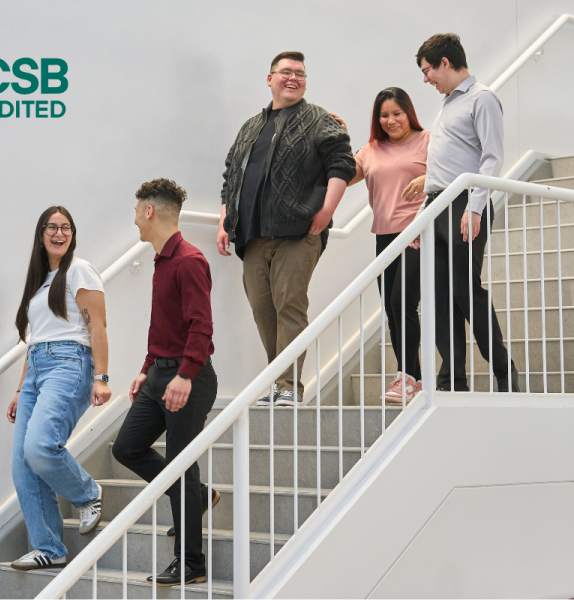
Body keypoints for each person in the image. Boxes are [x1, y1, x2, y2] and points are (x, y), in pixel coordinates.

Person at [217, 51, 356, 406]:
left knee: (289, 306)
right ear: (270, 79)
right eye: (286, 72)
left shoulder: (319, 119)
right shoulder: (250, 126)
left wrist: (327, 210)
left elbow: (342, 162)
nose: (293, 78)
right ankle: (277, 383)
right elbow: (231, 174)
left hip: (299, 232)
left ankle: (289, 386)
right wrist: (224, 221)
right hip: (252, 236)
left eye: (300, 74)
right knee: (264, 312)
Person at [111, 179, 219, 586]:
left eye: (137, 211)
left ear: (150, 211)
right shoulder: (160, 260)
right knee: (127, 448)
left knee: (180, 469)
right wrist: (146, 367)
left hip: (186, 378)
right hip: (159, 373)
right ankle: (199, 496)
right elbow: (165, 326)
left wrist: (186, 375)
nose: (136, 219)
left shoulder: (189, 260)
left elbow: (201, 326)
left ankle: (191, 563)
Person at [6, 206, 111, 570]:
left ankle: (87, 493)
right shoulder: (39, 282)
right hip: (37, 368)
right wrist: (21, 389)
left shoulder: (79, 270)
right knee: (22, 464)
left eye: (66, 227)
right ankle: (50, 549)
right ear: (41, 234)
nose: (59, 233)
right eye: (52, 227)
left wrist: (102, 377)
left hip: (70, 364)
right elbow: (37, 341)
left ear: (72, 234)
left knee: (40, 447)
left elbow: (97, 326)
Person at [416, 33, 519, 392]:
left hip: (463, 205)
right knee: (439, 297)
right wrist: (421, 219)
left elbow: (492, 158)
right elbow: (441, 166)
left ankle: (504, 370)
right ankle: (451, 380)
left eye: (428, 70)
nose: (426, 79)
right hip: (436, 206)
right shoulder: (447, 104)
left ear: (445, 62)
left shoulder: (482, 98)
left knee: (464, 290)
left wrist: (475, 207)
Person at [342, 87, 429, 404]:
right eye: (384, 115)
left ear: (409, 112)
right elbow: (345, 175)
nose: (391, 120)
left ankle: (406, 376)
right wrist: (340, 141)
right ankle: (412, 379)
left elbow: (454, 170)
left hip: (418, 233)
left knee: (402, 301)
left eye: (396, 113)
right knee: (392, 310)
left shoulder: (428, 140)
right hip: (385, 236)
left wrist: (428, 176)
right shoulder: (371, 149)